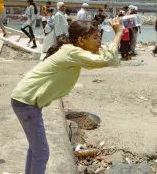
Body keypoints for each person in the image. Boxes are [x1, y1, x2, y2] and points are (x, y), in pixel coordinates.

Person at [11, 18, 123, 174]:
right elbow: (107, 59)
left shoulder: (73, 50)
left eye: (100, 37)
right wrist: (118, 33)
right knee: (42, 152)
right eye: (95, 37)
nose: (99, 41)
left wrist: (106, 46)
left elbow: (109, 59)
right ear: (81, 40)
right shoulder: (72, 51)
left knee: (36, 149)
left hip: (24, 100)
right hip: (27, 103)